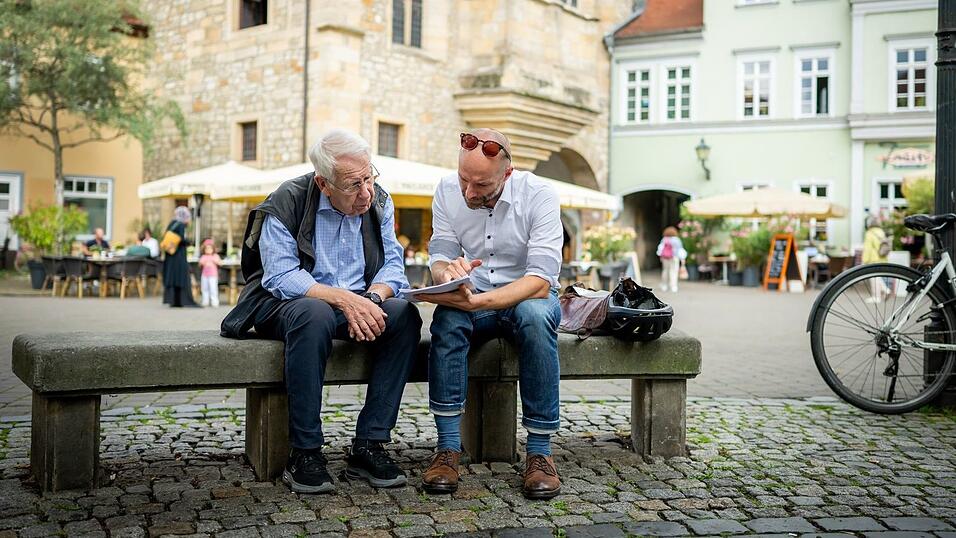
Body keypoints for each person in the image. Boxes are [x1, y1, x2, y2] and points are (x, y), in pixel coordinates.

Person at [221, 129, 421, 494]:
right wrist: (344, 300)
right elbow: (280, 275)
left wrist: (371, 300)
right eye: (353, 185)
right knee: (315, 314)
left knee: (404, 315)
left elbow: (393, 266)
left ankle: (369, 444)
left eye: (369, 178)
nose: (366, 193)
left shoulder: (378, 200)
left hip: (359, 302)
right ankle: (306, 451)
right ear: (323, 184)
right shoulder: (287, 200)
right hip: (287, 304)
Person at [418, 129, 564, 500]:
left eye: (481, 184)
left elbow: (541, 281)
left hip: (526, 296)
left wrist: (479, 303)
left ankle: (540, 453)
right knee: (447, 320)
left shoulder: (540, 195)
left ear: (507, 174)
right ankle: (448, 448)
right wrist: (446, 275)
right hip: (476, 293)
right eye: (463, 179)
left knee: (535, 317)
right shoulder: (446, 190)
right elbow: (441, 252)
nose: (468, 192)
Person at [162, 206, 198, 307]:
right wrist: (189, 242)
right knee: (180, 276)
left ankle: (173, 301)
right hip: (178, 255)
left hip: (170, 254)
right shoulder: (181, 225)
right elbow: (181, 239)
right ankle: (182, 300)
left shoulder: (172, 223)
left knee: (173, 277)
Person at [863, 215, 891, 302]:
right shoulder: (881, 232)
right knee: (877, 277)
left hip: (873, 259)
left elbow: (867, 248)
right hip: (882, 258)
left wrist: (864, 260)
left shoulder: (869, 233)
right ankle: (884, 290)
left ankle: (876, 296)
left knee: (873, 277)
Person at [656, 226, 687, 293]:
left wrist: (660, 256)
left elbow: (660, 249)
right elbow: (680, 250)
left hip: (665, 257)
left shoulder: (664, 239)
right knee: (673, 271)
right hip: (674, 257)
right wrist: (682, 259)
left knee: (665, 271)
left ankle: (664, 285)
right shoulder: (676, 240)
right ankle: (673, 286)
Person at [198, 241, 223, 307]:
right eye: (206, 248)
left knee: (213, 288)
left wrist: (215, 261)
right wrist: (202, 263)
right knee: (204, 288)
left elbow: (220, 263)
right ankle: (205, 301)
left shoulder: (215, 256)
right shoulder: (203, 256)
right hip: (204, 275)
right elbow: (199, 264)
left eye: (210, 248)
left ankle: (214, 301)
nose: (208, 250)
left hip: (213, 275)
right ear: (204, 250)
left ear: (213, 249)